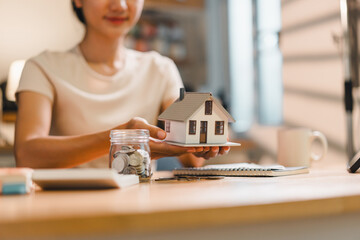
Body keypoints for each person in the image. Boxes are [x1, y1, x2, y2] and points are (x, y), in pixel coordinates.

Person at [14, 0, 230, 169]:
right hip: (67, 208)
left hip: (141, 206)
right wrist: (121, 136)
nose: (120, 5)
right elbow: (27, 155)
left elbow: (191, 160)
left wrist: (205, 140)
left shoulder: (160, 69)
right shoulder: (42, 67)